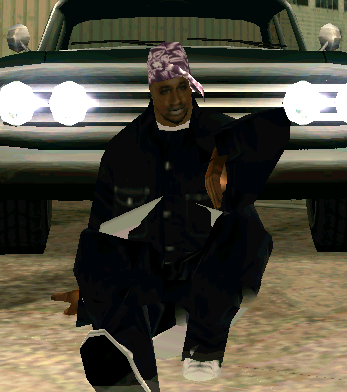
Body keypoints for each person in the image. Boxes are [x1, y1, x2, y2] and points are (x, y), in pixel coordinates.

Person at [51, 41, 290, 392]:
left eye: (182, 88)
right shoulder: (123, 148)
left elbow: (276, 127)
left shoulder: (220, 132)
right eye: (165, 91)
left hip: (210, 277)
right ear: (151, 91)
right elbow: (99, 229)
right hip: (153, 279)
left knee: (244, 226)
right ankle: (128, 366)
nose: (176, 100)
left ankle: (203, 347)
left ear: (191, 86)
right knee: (95, 255)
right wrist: (92, 292)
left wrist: (224, 156)